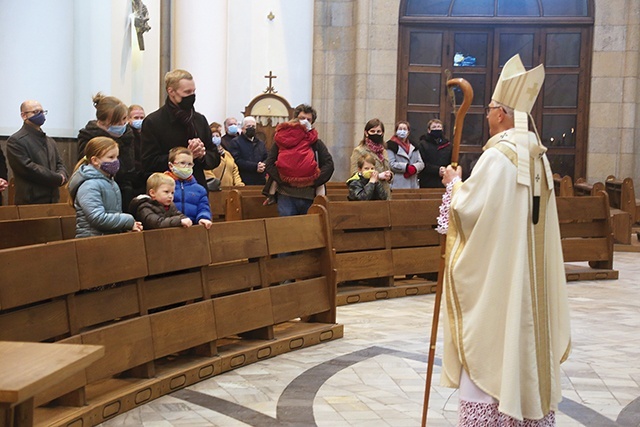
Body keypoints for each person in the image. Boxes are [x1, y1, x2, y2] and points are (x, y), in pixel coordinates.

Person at [440, 54, 571, 426]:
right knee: (524, 342)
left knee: (495, 341)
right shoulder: (538, 157)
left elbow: (469, 211)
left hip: (501, 281)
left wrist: (454, 185)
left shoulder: (499, 157)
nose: (486, 114)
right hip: (530, 285)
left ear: (502, 113)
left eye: (491, 108)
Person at [141, 69, 220, 189]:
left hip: (196, 188)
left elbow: (214, 156)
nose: (192, 96)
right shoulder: (154, 121)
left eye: (194, 91)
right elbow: (149, 162)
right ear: (171, 91)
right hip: (166, 190)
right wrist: (183, 156)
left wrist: (202, 155)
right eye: (187, 92)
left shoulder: (199, 120)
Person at [264, 104, 334, 215]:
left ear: (312, 123)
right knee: (287, 228)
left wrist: (313, 180)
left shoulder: (315, 143)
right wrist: (285, 179)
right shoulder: (282, 140)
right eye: (302, 118)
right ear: (295, 119)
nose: (305, 121)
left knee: (308, 230)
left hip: (309, 195)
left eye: (308, 119)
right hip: (286, 195)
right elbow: (270, 163)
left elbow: (329, 164)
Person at [68, 136, 143, 238]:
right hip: (91, 239)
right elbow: (97, 218)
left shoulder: (110, 182)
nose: (116, 161)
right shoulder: (89, 185)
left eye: (117, 157)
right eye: (111, 157)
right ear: (95, 160)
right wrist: (127, 220)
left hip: (106, 238)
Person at [77, 93, 138, 210]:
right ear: (102, 122)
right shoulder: (89, 137)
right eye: (117, 122)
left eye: (124, 119)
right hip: (101, 190)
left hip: (127, 191)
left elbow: (132, 166)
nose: (122, 125)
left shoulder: (129, 135)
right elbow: (86, 165)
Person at [6, 100, 68, 205]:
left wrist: (63, 175)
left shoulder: (50, 141)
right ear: (24, 116)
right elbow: (28, 168)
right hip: (30, 201)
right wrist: (57, 178)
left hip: (53, 200)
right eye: (35, 112)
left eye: (42, 112)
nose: (41, 115)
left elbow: (59, 164)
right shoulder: (16, 141)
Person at [166, 146, 213, 229]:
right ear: (171, 165)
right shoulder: (164, 186)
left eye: (190, 164)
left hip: (192, 228)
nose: (186, 167)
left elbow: (203, 207)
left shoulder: (199, 189)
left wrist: (203, 218)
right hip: (170, 228)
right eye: (182, 163)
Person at [349, 118, 393, 198]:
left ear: (382, 133)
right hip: (370, 194)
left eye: (378, 131)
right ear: (366, 133)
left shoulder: (384, 151)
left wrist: (389, 175)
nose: (376, 134)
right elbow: (355, 174)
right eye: (372, 131)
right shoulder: (359, 151)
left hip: (385, 193)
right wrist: (378, 176)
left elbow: (387, 168)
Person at [227, 116, 268, 185]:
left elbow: (266, 157)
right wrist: (255, 166)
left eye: (253, 126)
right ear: (242, 128)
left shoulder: (260, 143)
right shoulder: (235, 142)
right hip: (244, 179)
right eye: (248, 126)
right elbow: (237, 160)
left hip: (260, 180)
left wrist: (263, 165)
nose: (251, 128)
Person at [386, 120, 424, 189]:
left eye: (404, 129)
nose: (402, 131)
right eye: (400, 129)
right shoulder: (391, 145)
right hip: (398, 184)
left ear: (408, 132)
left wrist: (414, 168)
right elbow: (391, 164)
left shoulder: (414, 146)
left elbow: (421, 163)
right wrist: (406, 167)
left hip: (413, 184)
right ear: (396, 131)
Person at [205, 122, 244, 188]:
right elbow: (206, 171)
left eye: (217, 136)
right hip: (215, 189)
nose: (215, 138)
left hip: (229, 188)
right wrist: (215, 183)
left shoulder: (227, 154)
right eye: (212, 136)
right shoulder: (207, 154)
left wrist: (238, 184)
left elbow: (234, 170)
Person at [417, 119, 451, 188]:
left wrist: (446, 169)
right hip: (427, 181)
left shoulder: (448, 145)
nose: (437, 129)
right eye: (434, 127)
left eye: (439, 127)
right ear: (429, 130)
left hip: (444, 181)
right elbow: (421, 163)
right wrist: (437, 170)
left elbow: (452, 161)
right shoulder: (423, 144)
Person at [127, 104, 146, 173]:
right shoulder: (127, 135)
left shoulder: (148, 133)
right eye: (136, 118)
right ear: (128, 119)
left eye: (142, 118)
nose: (139, 120)